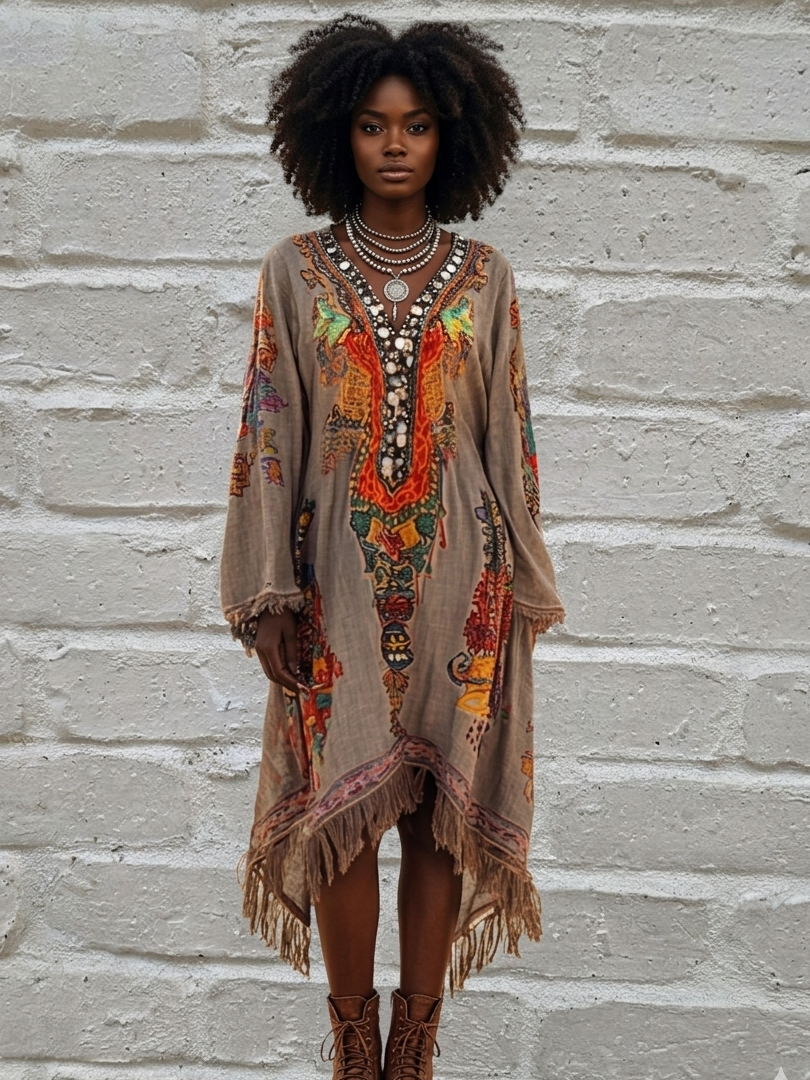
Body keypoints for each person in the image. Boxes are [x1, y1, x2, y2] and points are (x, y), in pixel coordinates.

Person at [219, 14, 564, 1080]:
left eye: (416, 125)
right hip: (339, 589)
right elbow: (268, 432)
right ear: (338, 135)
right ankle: (352, 1046)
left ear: (453, 135)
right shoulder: (297, 269)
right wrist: (269, 589)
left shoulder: (486, 275)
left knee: (436, 821)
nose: (395, 145)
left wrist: (522, 589)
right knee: (347, 813)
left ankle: (415, 1046)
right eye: (372, 126)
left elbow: (510, 435)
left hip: (465, 578)